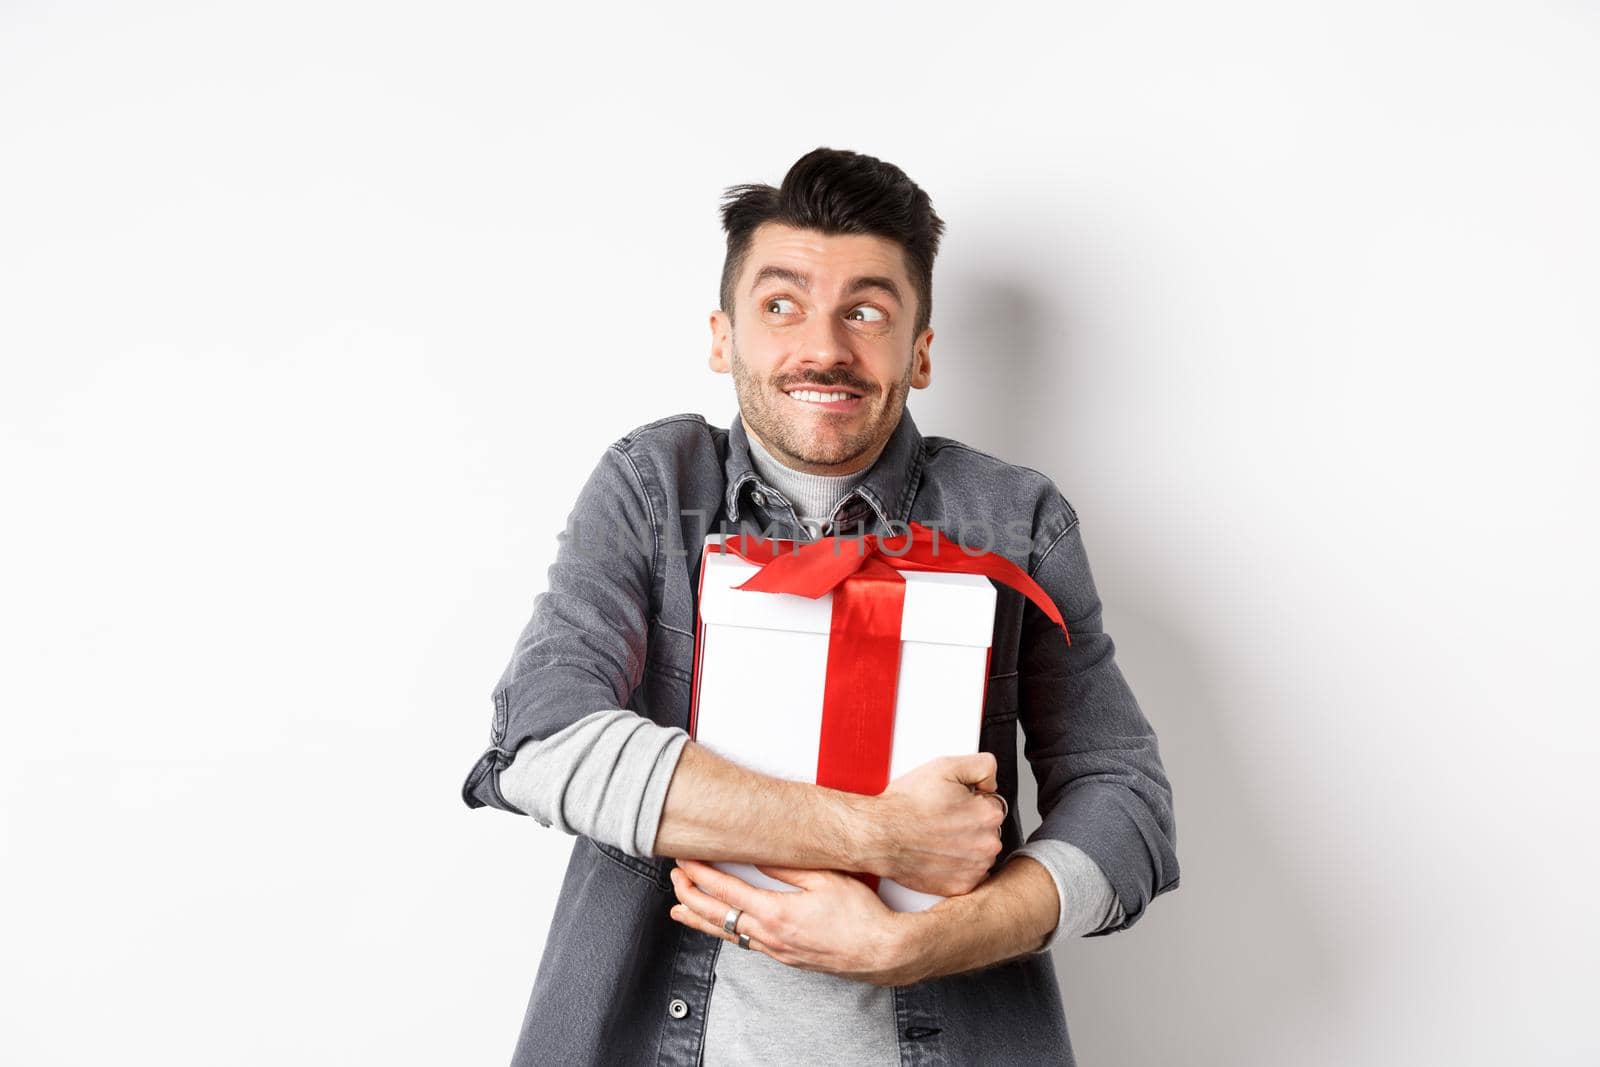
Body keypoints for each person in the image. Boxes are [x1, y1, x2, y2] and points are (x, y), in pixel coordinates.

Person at [459, 146, 1180, 1066]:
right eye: (781, 305)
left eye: (866, 312)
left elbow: (1126, 804)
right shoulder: (653, 487)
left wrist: (916, 945)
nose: (825, 348)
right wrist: (880, 834)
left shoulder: (1014, 518)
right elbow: (540, 742)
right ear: (723, 336)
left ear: (920, 352)